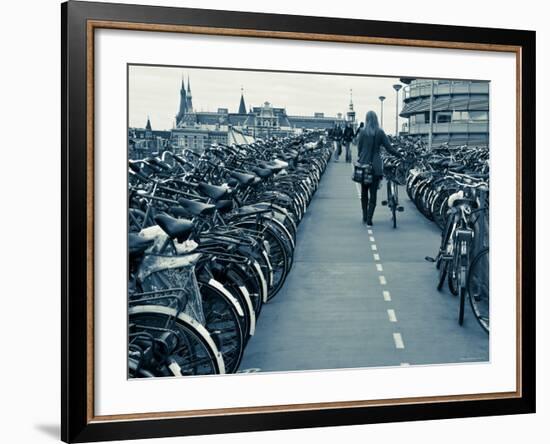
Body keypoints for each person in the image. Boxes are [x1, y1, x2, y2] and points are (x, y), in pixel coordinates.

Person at [356, 111, 401, 225]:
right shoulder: (380, 132)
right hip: (376, 167)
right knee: (373, 194)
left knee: (364, 192)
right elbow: (389, 148)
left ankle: (365, 216)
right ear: (376, 120)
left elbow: (359, 148)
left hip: (364, 164)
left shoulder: (362, 132)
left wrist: (361, 157)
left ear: (366, 119)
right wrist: (399, 155)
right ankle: (370, 218)